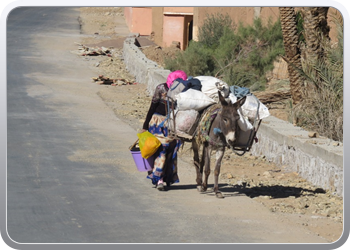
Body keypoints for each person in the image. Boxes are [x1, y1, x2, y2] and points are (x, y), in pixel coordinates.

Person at [140, 70, 187, 191]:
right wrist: (145, 126)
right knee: (161, 149)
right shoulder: (161, 88)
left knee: (171, 151)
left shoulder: (181, 92)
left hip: (172, 125)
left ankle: (166, 177)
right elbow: (153, 106)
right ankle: (159, 178)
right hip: (158, 124)